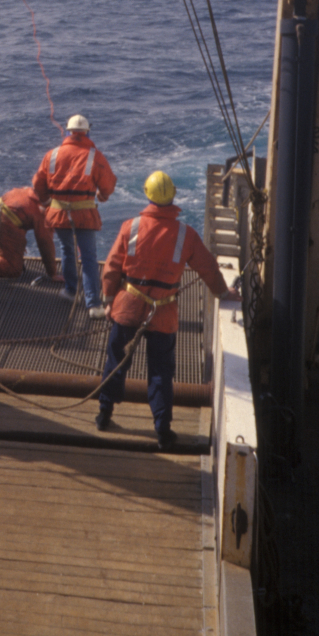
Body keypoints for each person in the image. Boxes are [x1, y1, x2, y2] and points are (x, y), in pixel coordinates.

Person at [96, 170, 236, 450]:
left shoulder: (130, 226)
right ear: (172, 195)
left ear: (147, 195)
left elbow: (112, 265)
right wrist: (223, 293)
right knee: (161, 371)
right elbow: (208, 268)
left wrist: (109, 297)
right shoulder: (186, 234)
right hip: (162, 311)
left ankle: (104, 414)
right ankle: (163, 430)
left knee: (116, 359)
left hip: (129, 304)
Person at [32, 114, 116, 318]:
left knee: (67, 251)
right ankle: (93, 305)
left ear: (69, 132)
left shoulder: (51, 155)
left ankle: (70, 291)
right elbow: (108, 183)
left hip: (59, 213)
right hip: (85, 214)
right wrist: (102, 196)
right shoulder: (95, 156)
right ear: (87, 131)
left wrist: (45, 202)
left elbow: (38, 183)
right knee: (88, 257)